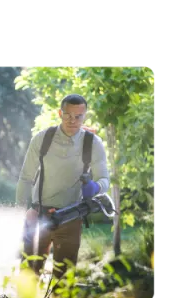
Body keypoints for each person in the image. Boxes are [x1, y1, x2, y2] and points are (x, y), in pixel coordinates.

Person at [15, 94, 110, 279]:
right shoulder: (42, 139)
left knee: (64, 283)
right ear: (60, 113)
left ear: (85, 116)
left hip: (71, 217)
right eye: (68, 115)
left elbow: (104, 179)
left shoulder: (93, 143)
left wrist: (95, 188)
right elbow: (25, 178)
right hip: (38, 215)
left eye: (78, 116)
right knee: (28, 278)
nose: (73, 121)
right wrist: (24, 211)